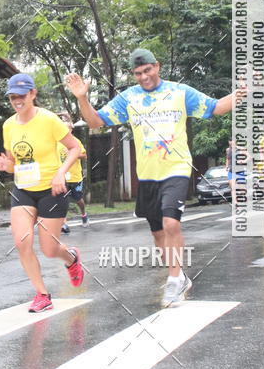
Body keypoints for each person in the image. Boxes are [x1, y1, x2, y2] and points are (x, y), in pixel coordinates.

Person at [65, 48, 242, 306]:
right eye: (138, 73)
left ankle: (174, 280)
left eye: (147, 70)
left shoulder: (179, 92)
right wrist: (82, 97)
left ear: (157, 66)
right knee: (158, 233)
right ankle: (179, 275)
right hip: (148, 175)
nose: (144, 76)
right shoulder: (128, 98)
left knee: (171, 223)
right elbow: (95, 122)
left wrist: (242, 92)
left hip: (176, 169)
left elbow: (216, 107)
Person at [0, 73, 85, 313]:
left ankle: (71, 258)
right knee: (21, 241)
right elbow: (14, 163)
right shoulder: (8, 125)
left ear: (32, 94)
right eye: (12, 97)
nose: (17, 101)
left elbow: (74, 148)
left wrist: (61, 173)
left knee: (49, 249)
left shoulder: (49, 120)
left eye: (21, 95)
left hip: (52, 189)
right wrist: (6, 166)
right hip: (23, 189)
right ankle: (42, 295)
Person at [56, 110, 89, 233]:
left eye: (67, 129)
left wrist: (73, 153)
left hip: (75, 176)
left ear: (71, 130)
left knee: (78, 199)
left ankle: (84, 214)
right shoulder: (57, 142)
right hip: (62, 177)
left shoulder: (76, 142)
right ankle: (64, 224)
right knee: (62, 200)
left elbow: (84, 155)